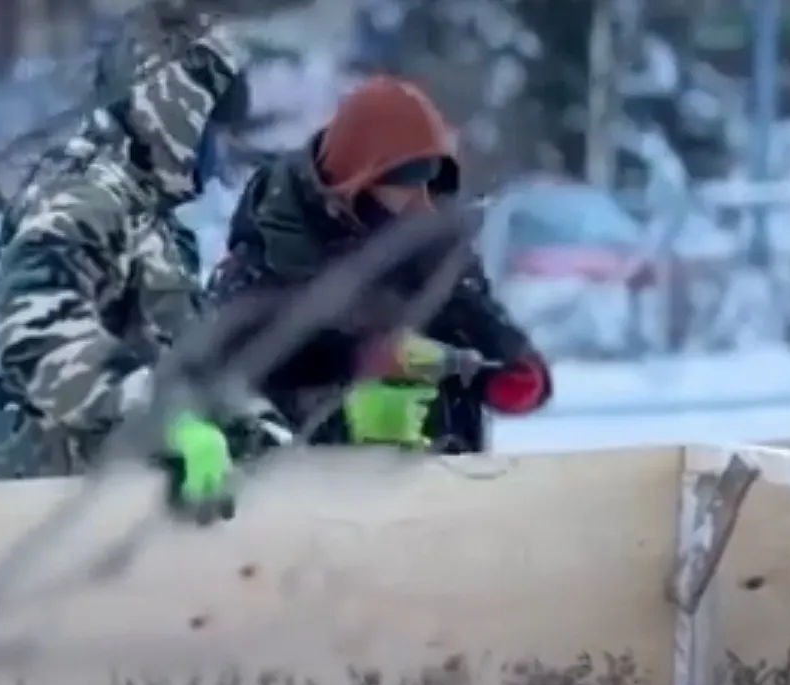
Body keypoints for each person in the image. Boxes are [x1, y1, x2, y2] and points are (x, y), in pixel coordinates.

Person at [0, 18, 259, 525]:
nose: (222, 150)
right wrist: (166, 415)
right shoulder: (79, 199)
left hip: (122, 520)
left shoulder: (150, 218)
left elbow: (183, 358)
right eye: (214, 128)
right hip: (38, 517)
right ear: (172, 113)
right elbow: (34, 338)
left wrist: (254, 427)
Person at [210, 75, 553, 452]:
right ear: (358, 180)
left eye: (434, 181)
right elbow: (228, 365)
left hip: (435, 474)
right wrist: (343, 398)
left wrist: (508, 356)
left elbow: (465, 304)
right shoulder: (275, 239)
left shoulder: (427, 228)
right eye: (408, 181)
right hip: (301, 480)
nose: (422, 200)